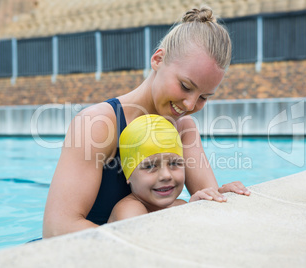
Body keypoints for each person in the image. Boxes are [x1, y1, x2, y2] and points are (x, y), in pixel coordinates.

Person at [43, 5, 250, 238]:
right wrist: (141, 238)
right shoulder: (98, 125)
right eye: (185, 86)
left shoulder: (184, 128)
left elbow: (207, 201)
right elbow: (56, 229)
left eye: (203, 97)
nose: (190, 105)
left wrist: (223, 196)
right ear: (158, 59)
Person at [108, 114, 226, 223]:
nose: (166, 175)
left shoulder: (180, 205)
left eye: (174, 163)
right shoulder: (129, 209)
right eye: (150, 166)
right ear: (127, 174)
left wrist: (223, 197)